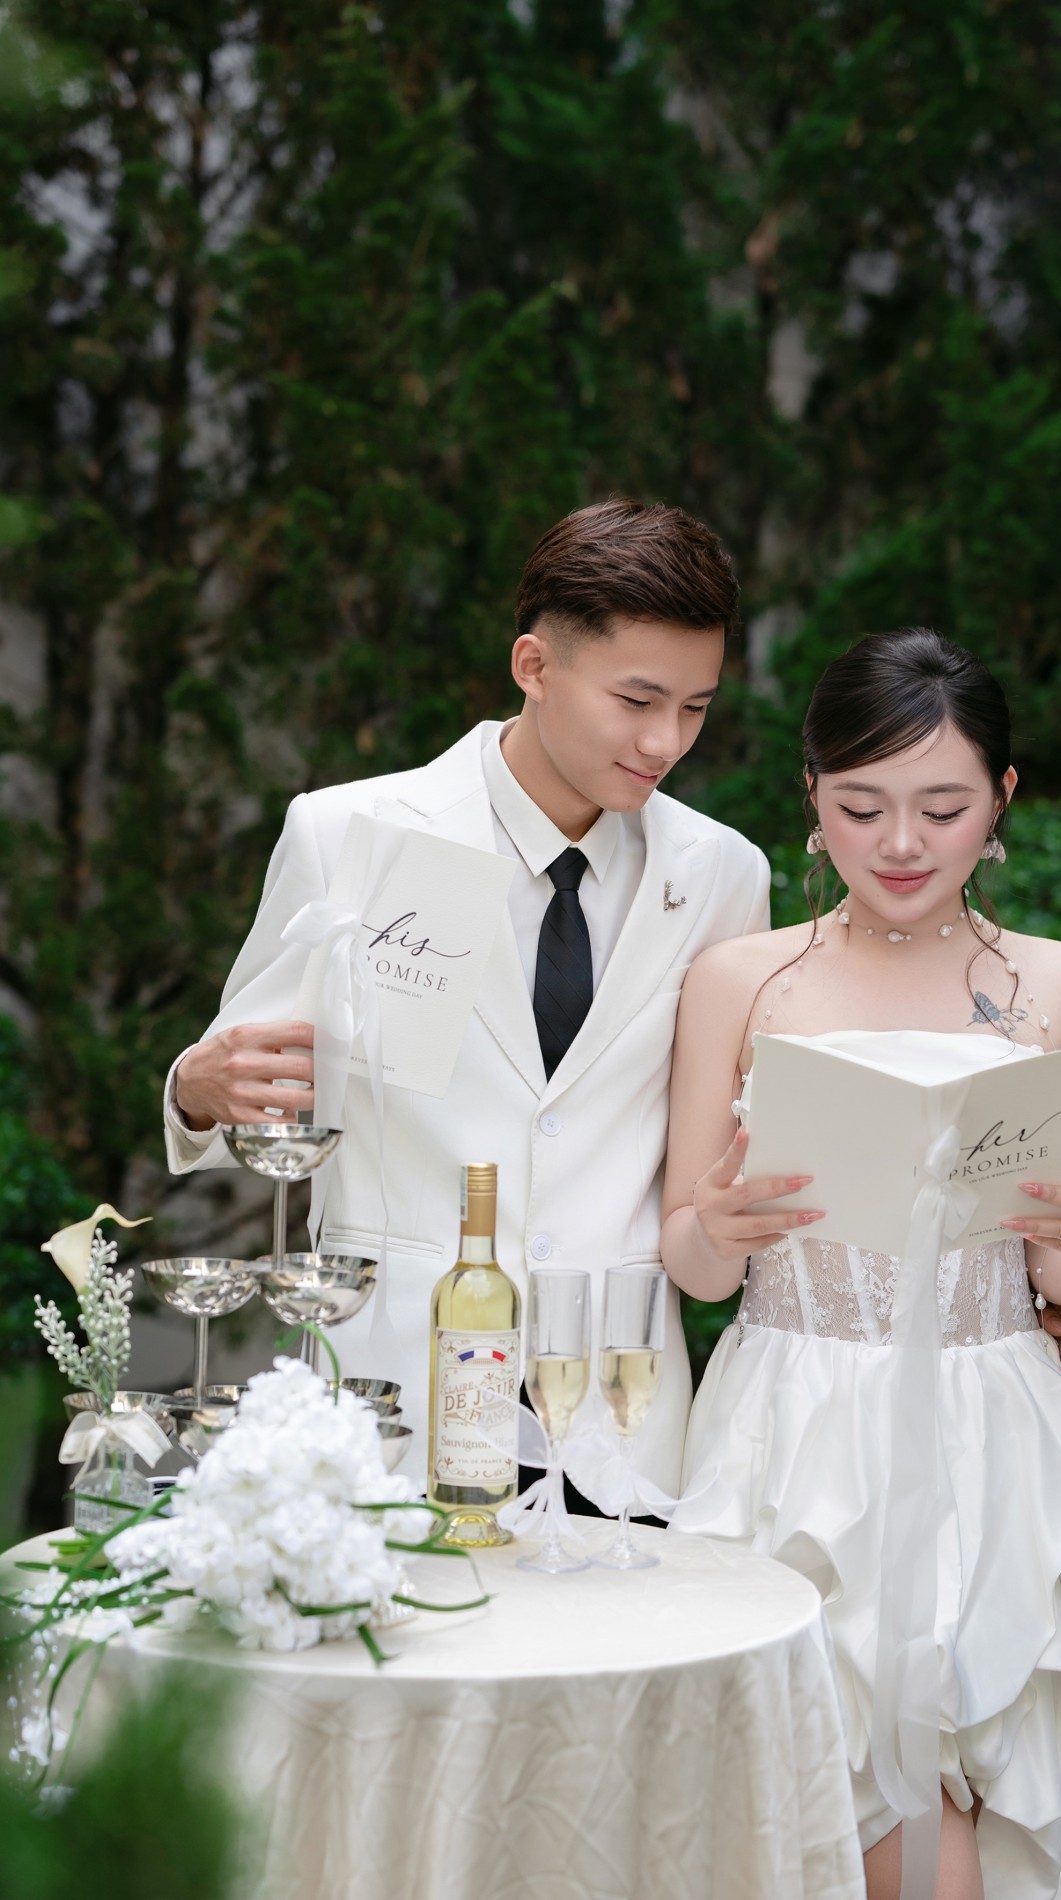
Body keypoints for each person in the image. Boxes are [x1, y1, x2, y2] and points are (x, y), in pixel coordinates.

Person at [661, 630, 1061, 1899]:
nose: (900, 843)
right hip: (796, 1415)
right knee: (816, 1796)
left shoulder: (1058, 984)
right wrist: (716, 1222)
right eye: (860, 806)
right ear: (811, 796)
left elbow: (1060, 1271)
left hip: (992, 1420)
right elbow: (692, 1263)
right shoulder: (742, 979)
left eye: (942, 808)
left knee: (981, 1793)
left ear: (1000, 800)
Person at [163, 499, 770, 1490]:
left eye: (696, 708)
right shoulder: (350, 832)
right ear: (534, 666)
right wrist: (195, 1087)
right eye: (636, 700)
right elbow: (242, 1083)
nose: (665, 741)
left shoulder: (722, 874)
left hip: (612, 1407)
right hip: (391, 1392)